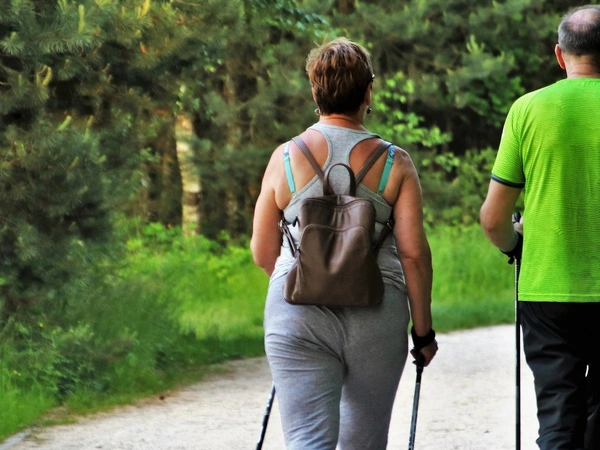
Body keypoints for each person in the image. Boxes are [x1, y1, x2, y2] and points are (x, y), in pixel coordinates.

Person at [250, 37, 437, 449]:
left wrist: (311, 279)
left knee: (307, 441)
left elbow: (262, 252)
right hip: (375, 315)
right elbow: (413, 255)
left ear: (314, 92)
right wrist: (422, 333)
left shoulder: (285, 158)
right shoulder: (395, 162)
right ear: (368, 92)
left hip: (296, 315)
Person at [480, 5, 600, 450]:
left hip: (546, 289)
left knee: (557, 416)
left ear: (559, 54)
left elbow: (493, 218)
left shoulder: (527, 109)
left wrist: (514, 245)